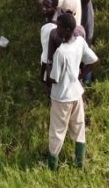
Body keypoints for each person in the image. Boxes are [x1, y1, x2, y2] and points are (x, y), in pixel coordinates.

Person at [45, 11, 97, 170]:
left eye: (59, 27)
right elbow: (94, 61)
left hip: (61, 97)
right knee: (79, 127)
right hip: (76, 93)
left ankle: (52, 165)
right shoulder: (80, 42)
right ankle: (79, 162)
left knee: (57, 131)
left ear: (68, 30)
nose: (57, 30)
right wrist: (80, 75)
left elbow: (55, 78)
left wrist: (48, 67)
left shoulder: (60, 52)